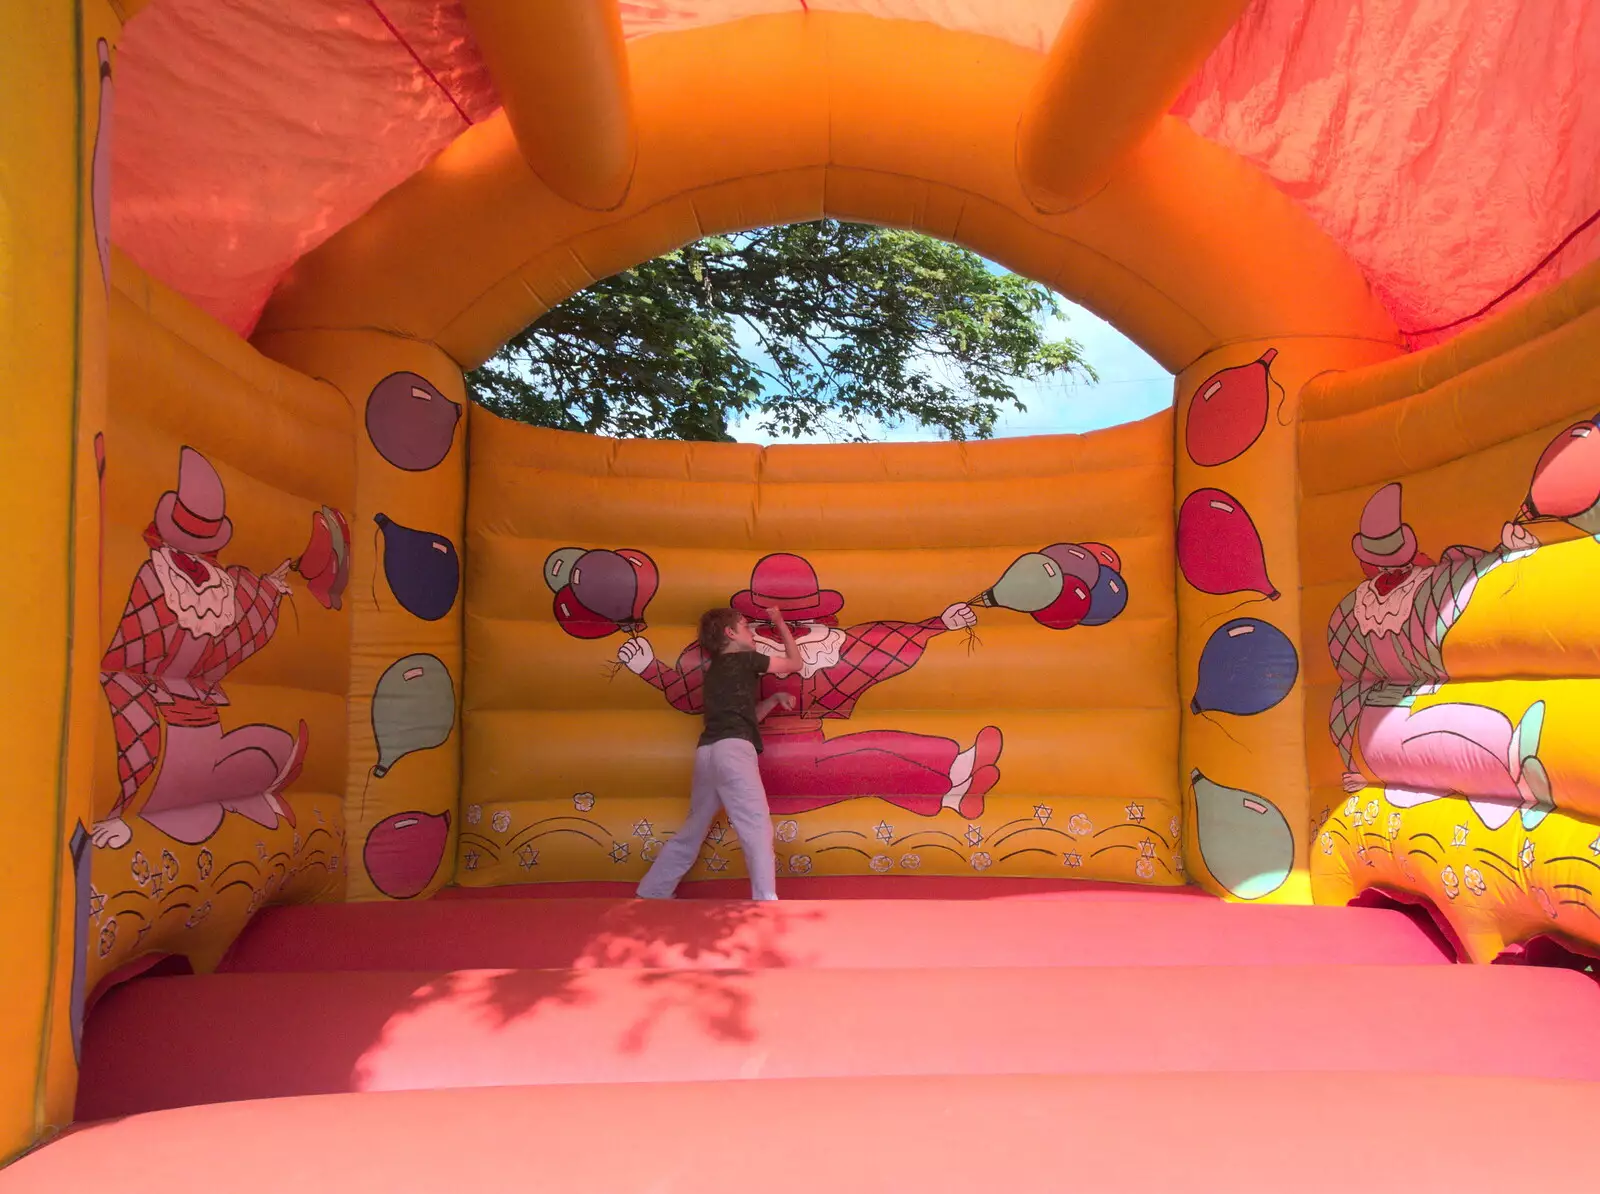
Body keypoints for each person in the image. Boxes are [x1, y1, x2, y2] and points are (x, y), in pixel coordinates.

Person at [637, 605, 803, 900]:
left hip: (708, 752)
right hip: (733, 752)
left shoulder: (714, 672)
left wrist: (775, 699)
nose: (751, 632)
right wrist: (778, 622)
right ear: (730, 634)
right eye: (745, 627)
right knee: (756, 824)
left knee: (693, 829)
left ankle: (652, 891)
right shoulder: (747, 659)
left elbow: (745, 716)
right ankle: (766, 899)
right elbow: (794, 663)